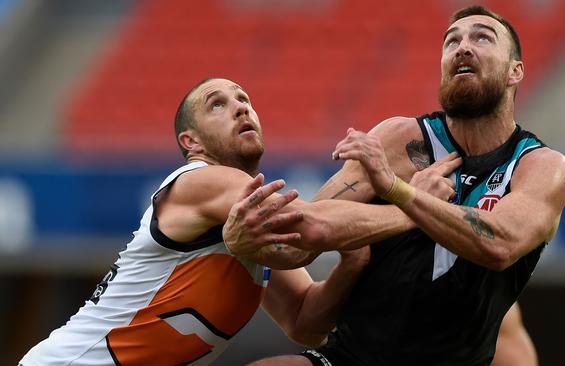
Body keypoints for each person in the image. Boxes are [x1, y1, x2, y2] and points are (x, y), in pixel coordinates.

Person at [19, 78, 458, 366]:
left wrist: (350, 265)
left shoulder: (248, 224)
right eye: (218, 104)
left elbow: (305, 320)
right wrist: (415, 208)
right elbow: (304, 235)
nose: (240, 108)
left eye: (244, 100)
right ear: (190, 142)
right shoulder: (199, 182)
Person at [229, 5, 565, 365]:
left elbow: (500, 243)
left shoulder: (540, 166)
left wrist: (397, 190)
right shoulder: (399, 139)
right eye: (451, 41)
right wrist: (236, 234)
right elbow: (304, 239)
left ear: (515, 71)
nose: (462, 47)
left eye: (482, 38)